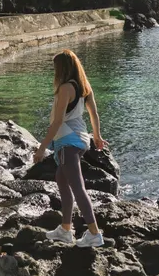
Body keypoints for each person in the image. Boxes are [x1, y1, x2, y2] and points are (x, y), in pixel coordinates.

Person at [32, 49, 108, 248]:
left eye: (55, 67)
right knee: (62, 181)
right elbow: (94, 114)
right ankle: (65, 229)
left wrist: (41, 149)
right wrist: (97, 136)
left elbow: (57, 122)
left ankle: (94, 233)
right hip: (80, 140)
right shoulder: (85, 86)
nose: (54, 71)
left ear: (62, 68)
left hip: (67, 142)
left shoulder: (66, 88)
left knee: (77, 187)